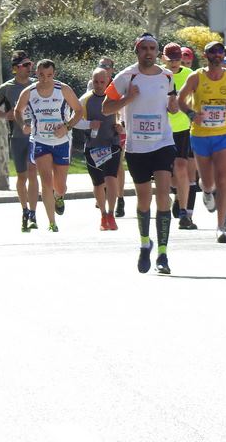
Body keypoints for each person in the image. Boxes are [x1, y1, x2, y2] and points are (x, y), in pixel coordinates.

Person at [103, 34, 180, 275]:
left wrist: (174, 106)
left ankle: (163, 254)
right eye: (144, 48)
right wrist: (128, 98)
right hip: (137, 146)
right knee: (144, 199)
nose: (148, 52)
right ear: (137, 51)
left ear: (158, 52)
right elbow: (106, 107)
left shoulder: (167, 76)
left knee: (163, 196)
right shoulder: (126, 76)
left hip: (163, 142)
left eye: (152, 48)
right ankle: (145, 243)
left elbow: (171, 103)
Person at [13, 59, 83, 233]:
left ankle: (59, 196)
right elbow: (17, 111)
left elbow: (79, 110)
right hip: (40, 140)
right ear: (36, 74)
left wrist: (66, 126)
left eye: (49, 75)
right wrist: (24, 124)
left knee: (59, 186)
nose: (45, 79)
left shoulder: (63, 90)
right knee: (46, 181)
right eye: (42, 75)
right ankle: (52, 222)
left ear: (54, 74)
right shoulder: (29, 92)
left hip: (62, 141)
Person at [179, 40, 226, 243]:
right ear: (206, 56)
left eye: (220, 52)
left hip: (224, 133)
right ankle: (206, 191)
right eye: (212, 52)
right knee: (208, 181)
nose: (217, 56)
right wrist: (190, 113)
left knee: (224, 179)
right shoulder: (197, 77)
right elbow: (180, 99)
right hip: (200, 135)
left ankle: (221, 227)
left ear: (224, 56)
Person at [0, 50, 40, 232]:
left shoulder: (37, 85)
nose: (29, 68)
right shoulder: (7, 88)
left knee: (33, 172)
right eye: (25, 65)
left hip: (36, 136)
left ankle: (33, 213)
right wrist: (5, 115)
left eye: (30, 64)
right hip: (18, 137)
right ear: (15, 68)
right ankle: (24, 210)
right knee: (22, 176)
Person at [76, 68, 123, 230]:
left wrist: (121, 127)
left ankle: (111, 213)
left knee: (111, 178)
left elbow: (125, 116)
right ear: (92, 80)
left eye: (102, 82)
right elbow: (73, 121)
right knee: (98, 183)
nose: (99, 85)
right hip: (92, 146)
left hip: (112, 144)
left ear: (109, 80)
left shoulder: (115, 97)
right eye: (96, 81)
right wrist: (89, 124)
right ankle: (103, 215)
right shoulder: (85, 99)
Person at [162, 43, 201, 228]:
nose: (175, 63)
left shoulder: (189, 75)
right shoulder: (158, 74)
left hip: (183, 128)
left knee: (182, 167)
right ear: (163, 59)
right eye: (171, 60)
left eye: (177, 59)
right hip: (162, 129)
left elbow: (196, 98)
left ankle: (184, 212)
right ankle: (175, 195)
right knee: (168, 174)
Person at [97, 56, 127, 218]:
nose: (105, 68)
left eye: (108, 66)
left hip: (117, 129)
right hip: (100, 131)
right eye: (102, 65)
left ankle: (120, 199)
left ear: (112, 70)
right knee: (100, 163)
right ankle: (103, 191)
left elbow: (124, 107)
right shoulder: (93, 84)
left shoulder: (118, 85)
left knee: (117, 165)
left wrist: (122, 125)